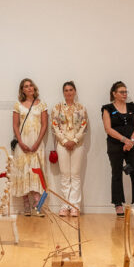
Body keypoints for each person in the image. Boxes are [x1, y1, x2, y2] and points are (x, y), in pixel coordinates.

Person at [102, 81, 134, 216]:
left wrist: (131, 141)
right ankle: (118, 204)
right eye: (122, 92)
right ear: (114, 94)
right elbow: (108, 129)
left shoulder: (132, 107)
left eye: (126, 92)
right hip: (115, 145)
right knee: (116, 174)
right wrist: (123, 140)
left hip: (131, 145)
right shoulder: (107, 108)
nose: (125, 94)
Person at [12, 78, 49, 216]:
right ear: (22, 90)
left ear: (34, 88)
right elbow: (15, 125)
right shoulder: (18, 105)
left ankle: (37, 203)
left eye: (30, 85)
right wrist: (20, 142)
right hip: (23, 144)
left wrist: (38, 142)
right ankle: (26, 204)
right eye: (26, 86)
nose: (29, 88)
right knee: (23, 172)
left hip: (36, 144)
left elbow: (44, 124)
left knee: (36, 173)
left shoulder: (42, 104)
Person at [50, 81, 88, 217]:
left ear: (75, 91)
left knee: (75, 175)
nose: (69, 92)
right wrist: (65, 141)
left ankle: (75, 206)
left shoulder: (81, 108)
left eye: (71, 90)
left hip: (78, 144)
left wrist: (75, 140)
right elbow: (54, 126)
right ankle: (65, 205)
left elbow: (84, 126)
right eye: (66, 90)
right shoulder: (57, 108)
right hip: (62, 145)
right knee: (65, 175)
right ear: (63, 92)